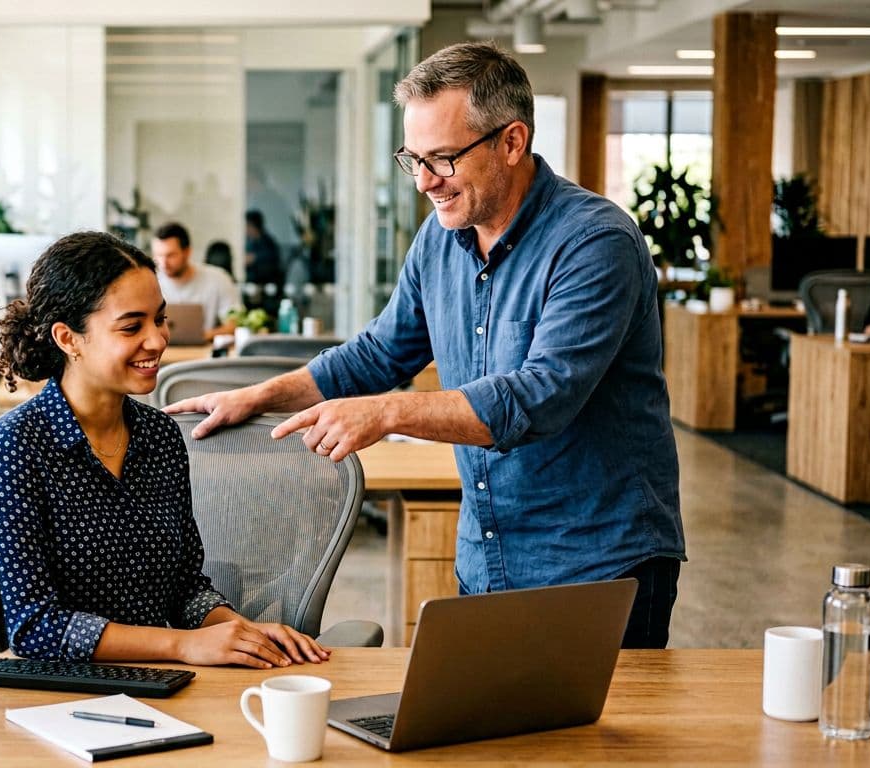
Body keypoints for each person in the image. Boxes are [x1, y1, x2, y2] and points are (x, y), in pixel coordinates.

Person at [168, 42, 686, 649]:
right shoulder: (441, 239)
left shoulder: (595, 243)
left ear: (512, 142)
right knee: (488, 741)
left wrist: (386, 412)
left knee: (591, 747)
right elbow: (379, 354)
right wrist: (263, 396)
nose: (423, 182)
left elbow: (540, 397)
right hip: (489, 556)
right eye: (412, 159)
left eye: (442, 159)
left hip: (597, 562)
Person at [0, 230, 328, 667]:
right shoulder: (15, 446)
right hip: (58, 699)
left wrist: (238, 631)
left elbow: (183, 587)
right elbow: (33, 626)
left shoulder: (160, 437)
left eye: (159, 319)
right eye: (132, 326)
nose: (158, 340)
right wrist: (181, 645)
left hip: (159, 684)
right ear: (68, 339)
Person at [151, 222, 241, 341]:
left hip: (204, 354)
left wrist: (202, 336)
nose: (163, 263)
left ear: (187, 252)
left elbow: (235, 325)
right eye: (158, 255)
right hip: (162, 353)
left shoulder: (219, 278)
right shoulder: (150, 281)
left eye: (170, 255)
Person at [244, 210, 283, 292]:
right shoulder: (249, 242)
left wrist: (255, 258)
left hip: (267, 287)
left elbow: (273, 258)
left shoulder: (267, 242)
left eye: (247, 226)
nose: (245, 229)